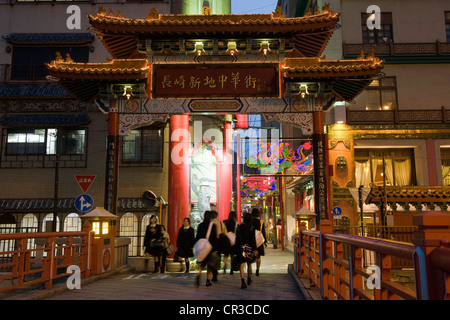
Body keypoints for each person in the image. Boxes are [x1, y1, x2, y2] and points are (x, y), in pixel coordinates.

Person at [195, 210, 218, 287]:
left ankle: (199, 274)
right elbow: (214, 238)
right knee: (209, 264)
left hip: (201, 246)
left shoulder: (200, 225)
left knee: (202, 263)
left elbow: (197, 236)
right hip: (209, 247)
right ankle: (208, 281)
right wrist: (215, 249)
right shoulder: (212, 225)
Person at [235, 212, 257, 289]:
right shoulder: (252, 228)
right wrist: (254, 249)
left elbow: (237, 240)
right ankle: (249, 278)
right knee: (249, 263)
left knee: (241, 264)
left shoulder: (239, 227)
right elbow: (253, 239)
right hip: (249, 248)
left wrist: (236, 249)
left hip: (241, 248)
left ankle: (242, 281)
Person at [211, 211, 228, 282]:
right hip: (220, 242)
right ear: (217, 216)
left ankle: (214, 272)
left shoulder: (210, 223)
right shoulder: (221, 223)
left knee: (212, 257)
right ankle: (217, 268)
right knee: (218, 256)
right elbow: (225, 233)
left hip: (212, 242)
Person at [251, 208, 267, 276]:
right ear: (258, 214)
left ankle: (250, 270)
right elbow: (263, 232)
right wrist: (265, 241)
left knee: (250, 256)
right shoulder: (261, 222)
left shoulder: (250, 222)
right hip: (259, 241)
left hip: (251, 240)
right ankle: (257, 270)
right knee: (258, 256)